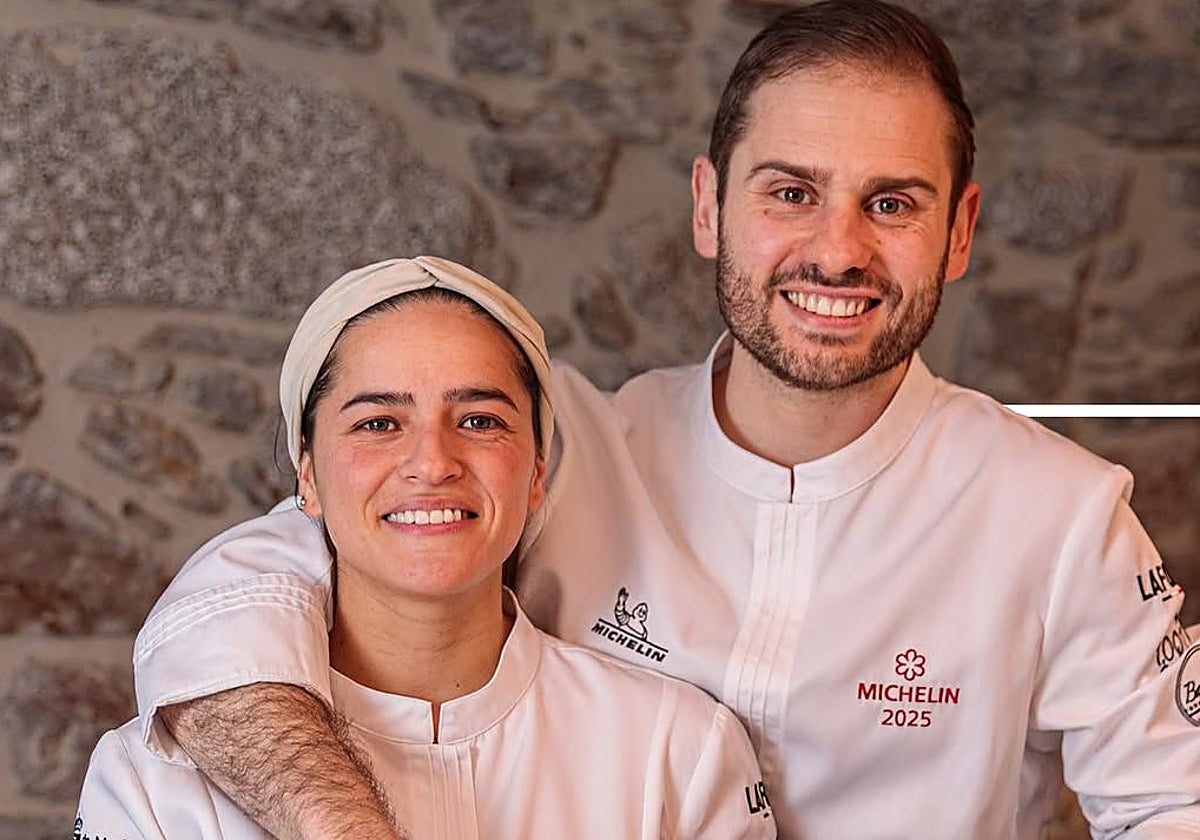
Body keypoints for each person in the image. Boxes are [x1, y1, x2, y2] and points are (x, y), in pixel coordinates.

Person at [118, 0, 1200, 837]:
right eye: (789, 192)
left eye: (892, 202)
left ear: (959, 230)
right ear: (706, 205)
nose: (837, 251)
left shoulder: (1062, 520)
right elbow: (230, 610)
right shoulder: (560, 452)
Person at [75, 257, 774, 839]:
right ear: (309, 477)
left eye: (479, 419)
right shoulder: (154, 784)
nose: (433, 461)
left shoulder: (678, 751)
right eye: (379, 422)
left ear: (535, 473)